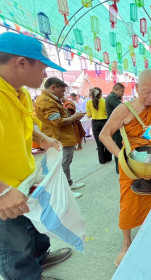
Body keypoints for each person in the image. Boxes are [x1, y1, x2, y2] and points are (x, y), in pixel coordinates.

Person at [0, 32, 72, 280]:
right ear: (21, 63)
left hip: (21, 183)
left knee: (30, 229)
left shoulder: (17, 92)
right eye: (42, 67)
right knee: (13, 243)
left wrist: (42, 138)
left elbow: (26, 124)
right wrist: (2, 191)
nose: (45, 74)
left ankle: (39, 257)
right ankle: (25, 275)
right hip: (4, 192)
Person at [99, 69, 151, 267]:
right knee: (129, 202)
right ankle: (126, 243)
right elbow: (104, 135)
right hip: (130, 164)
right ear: (136, 87)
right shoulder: (124, 110)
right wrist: (120, 156)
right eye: (146, 91)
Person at [35, 77, 85, 198]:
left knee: (66, 163)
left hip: (63, 138)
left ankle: (68, 183)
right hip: (58, 139)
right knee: (62, 165)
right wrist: (75, 117)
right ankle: (65, 191)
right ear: (53, 88)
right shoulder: (46, 101)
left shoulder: (51, 99)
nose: (63, 94)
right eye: (62, 91)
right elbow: (57, 122)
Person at [86, 87, 112, 164]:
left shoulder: (89, 102)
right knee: (107, 140)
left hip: (95, 123)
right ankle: (108, 158)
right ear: (100, 93)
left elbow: (88, 115)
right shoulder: (104, 101)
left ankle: (102, 160)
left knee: (99, 142)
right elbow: (108, 113)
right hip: (104, 122)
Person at [106, 82, 125, 174]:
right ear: (116, 90)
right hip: (116, 127)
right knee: (118, 147)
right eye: (122, 91)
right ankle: (119, 169)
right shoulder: (112, 98)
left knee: (120, 146)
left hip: (116, 126)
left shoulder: (113, 97)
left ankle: (120, 167)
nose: (123, 93)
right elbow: (123, 108)